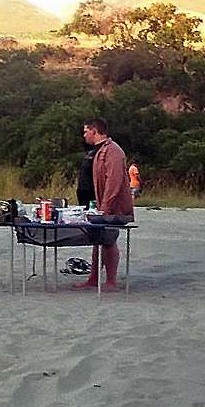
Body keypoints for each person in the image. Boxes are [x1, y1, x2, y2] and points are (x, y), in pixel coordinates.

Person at [75, 119, 135, 292]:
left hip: (106, 206)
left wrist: (105, 208)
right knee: (97, 239)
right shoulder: (94, 150)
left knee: (108, 240)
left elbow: (114, 182)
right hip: (91, 203)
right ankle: (93, 278)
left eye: (86, 131)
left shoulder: (113, 151)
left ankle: (111, 281)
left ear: (95, 131)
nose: (84, 135)